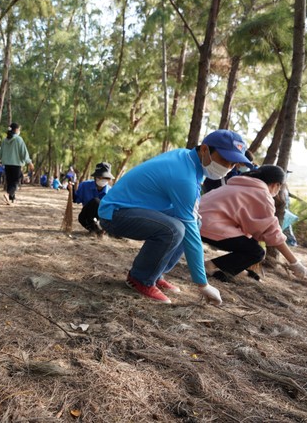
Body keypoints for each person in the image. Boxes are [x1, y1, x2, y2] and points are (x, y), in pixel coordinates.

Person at [97, 129, 253, 305]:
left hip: (135, 208)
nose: (228, 168)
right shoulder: (183, 176)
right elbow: (191, 232)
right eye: (224, 159)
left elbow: (193, 222)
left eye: (233, 164)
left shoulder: (187, 159)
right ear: (204, 150)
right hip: (115, 214)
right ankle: (140, 279)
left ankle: (155, 274)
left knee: (193, 222)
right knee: (175, 229)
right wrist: (202, 284)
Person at [200, 165, 307, 281]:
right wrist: (294, 263)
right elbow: (272, 233)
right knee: (256, 252)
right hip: (210, 227)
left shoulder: (235, 185)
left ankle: (228, 269)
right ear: (276, 184)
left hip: (195, 223)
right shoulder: (262, 194)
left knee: (249, 245)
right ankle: (209, 267)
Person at [0, 122, 33, 204]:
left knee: (10, 181)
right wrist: (29, 162)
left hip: (7, 164)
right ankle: (7, 194)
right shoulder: (18, 139)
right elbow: (24, 152)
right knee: (15, 182)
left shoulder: (4, 140)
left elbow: (1, 152)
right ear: (16, 130)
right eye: (19, 129)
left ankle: (11, 198)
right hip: (16, 164)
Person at [74, 162, 113, 235]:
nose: (103, 180)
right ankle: (93, 227)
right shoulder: (84, 186)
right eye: (101, 177)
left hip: (103, 220)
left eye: (106, 178)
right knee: (96, 201)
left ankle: (101, 230)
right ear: (95, 177)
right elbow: (76, 199)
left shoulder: (111, 192)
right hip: (86, 218)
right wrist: (72, 189)